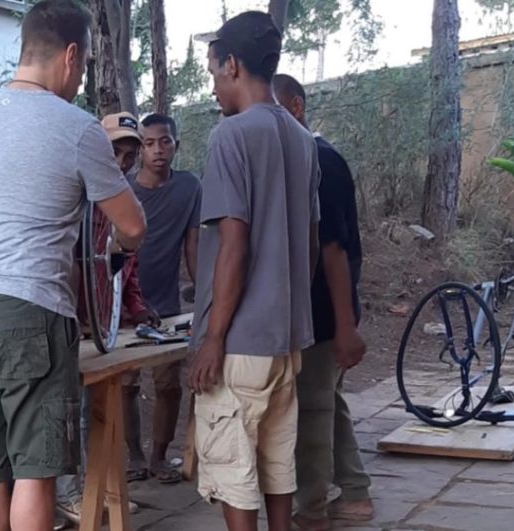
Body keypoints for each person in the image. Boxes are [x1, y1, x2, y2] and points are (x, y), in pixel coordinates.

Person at [0, 1, 147, 530]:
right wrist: (118, 249)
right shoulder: (76, 127)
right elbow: (133, 227)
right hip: (29, 309)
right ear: (71, 56)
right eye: (81, 70)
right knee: (34, 472)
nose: (78, 81)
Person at [187, 11, 320, 531]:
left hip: (239, 343)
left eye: (215, 72)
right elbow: (308, 243)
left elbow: (233, 245)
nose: (215, 86)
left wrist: (213, 337)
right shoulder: (301, 138)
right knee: (277, 463)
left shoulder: (232, 136)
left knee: (233, 467)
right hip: (286, 340)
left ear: (235, 66)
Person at [273, 73, 374, 531]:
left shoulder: (319, 160)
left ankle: (310, 509)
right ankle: (354, 492)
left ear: (295, 108)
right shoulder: (310, 158)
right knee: (325, 403)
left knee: (312, 410)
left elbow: (334, 249)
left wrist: (345, 325)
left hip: (322, 312)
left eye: (272, 111)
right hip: (317, 311)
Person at [56, 111, 149, 526]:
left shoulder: (121, 202)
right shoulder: (75, 195)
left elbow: (122, 267)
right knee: (66, 409)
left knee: (97, 409)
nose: (124, 161)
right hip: (64, 319)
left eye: (131, 153)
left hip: (100, 325)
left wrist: (134, 308)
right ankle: (67, 493)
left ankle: (98, 493)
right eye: (117, 152)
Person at [122, 113, 202, 485]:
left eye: (164, 142)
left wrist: (205, 291)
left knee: (168, 383)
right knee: (124, 384)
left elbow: (193, 243)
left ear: (176, 145)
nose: (157, 150)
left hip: (166, 304)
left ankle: (159, 455)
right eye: (149, 143)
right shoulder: (122, 190)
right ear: (140, 148)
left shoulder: (189, 188)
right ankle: (134, 456)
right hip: (123, 307)